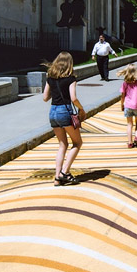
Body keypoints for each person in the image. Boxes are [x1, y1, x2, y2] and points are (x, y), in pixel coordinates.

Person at [42, 51, 86, 186]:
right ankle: (65, 172)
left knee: (62, 145)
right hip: (64, 111)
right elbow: (73, 98)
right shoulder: (71, 79)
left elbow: (45, 98)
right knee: (77, 143)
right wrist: (81, 108)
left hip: (53, 112)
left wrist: (55, 93)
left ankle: (57, 177)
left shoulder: (50, 77)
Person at [120, 64, 137, 147]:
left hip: (128, 106)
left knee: (129, 124)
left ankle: (130, 142)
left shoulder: (125, 84)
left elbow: (122, 96)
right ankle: (136, 137)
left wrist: (122, 105)